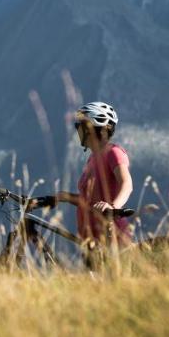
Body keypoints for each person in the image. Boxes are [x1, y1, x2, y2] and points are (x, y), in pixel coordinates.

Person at [53, 101, 134, 247]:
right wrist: (64, 197)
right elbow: (90, 201)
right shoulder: (92, 158)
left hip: (112, 237)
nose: (78, 131)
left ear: (94, 130)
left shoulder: (113, 152)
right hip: (91, 240)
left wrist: (113, 207)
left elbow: (126, 184)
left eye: (81, 127)